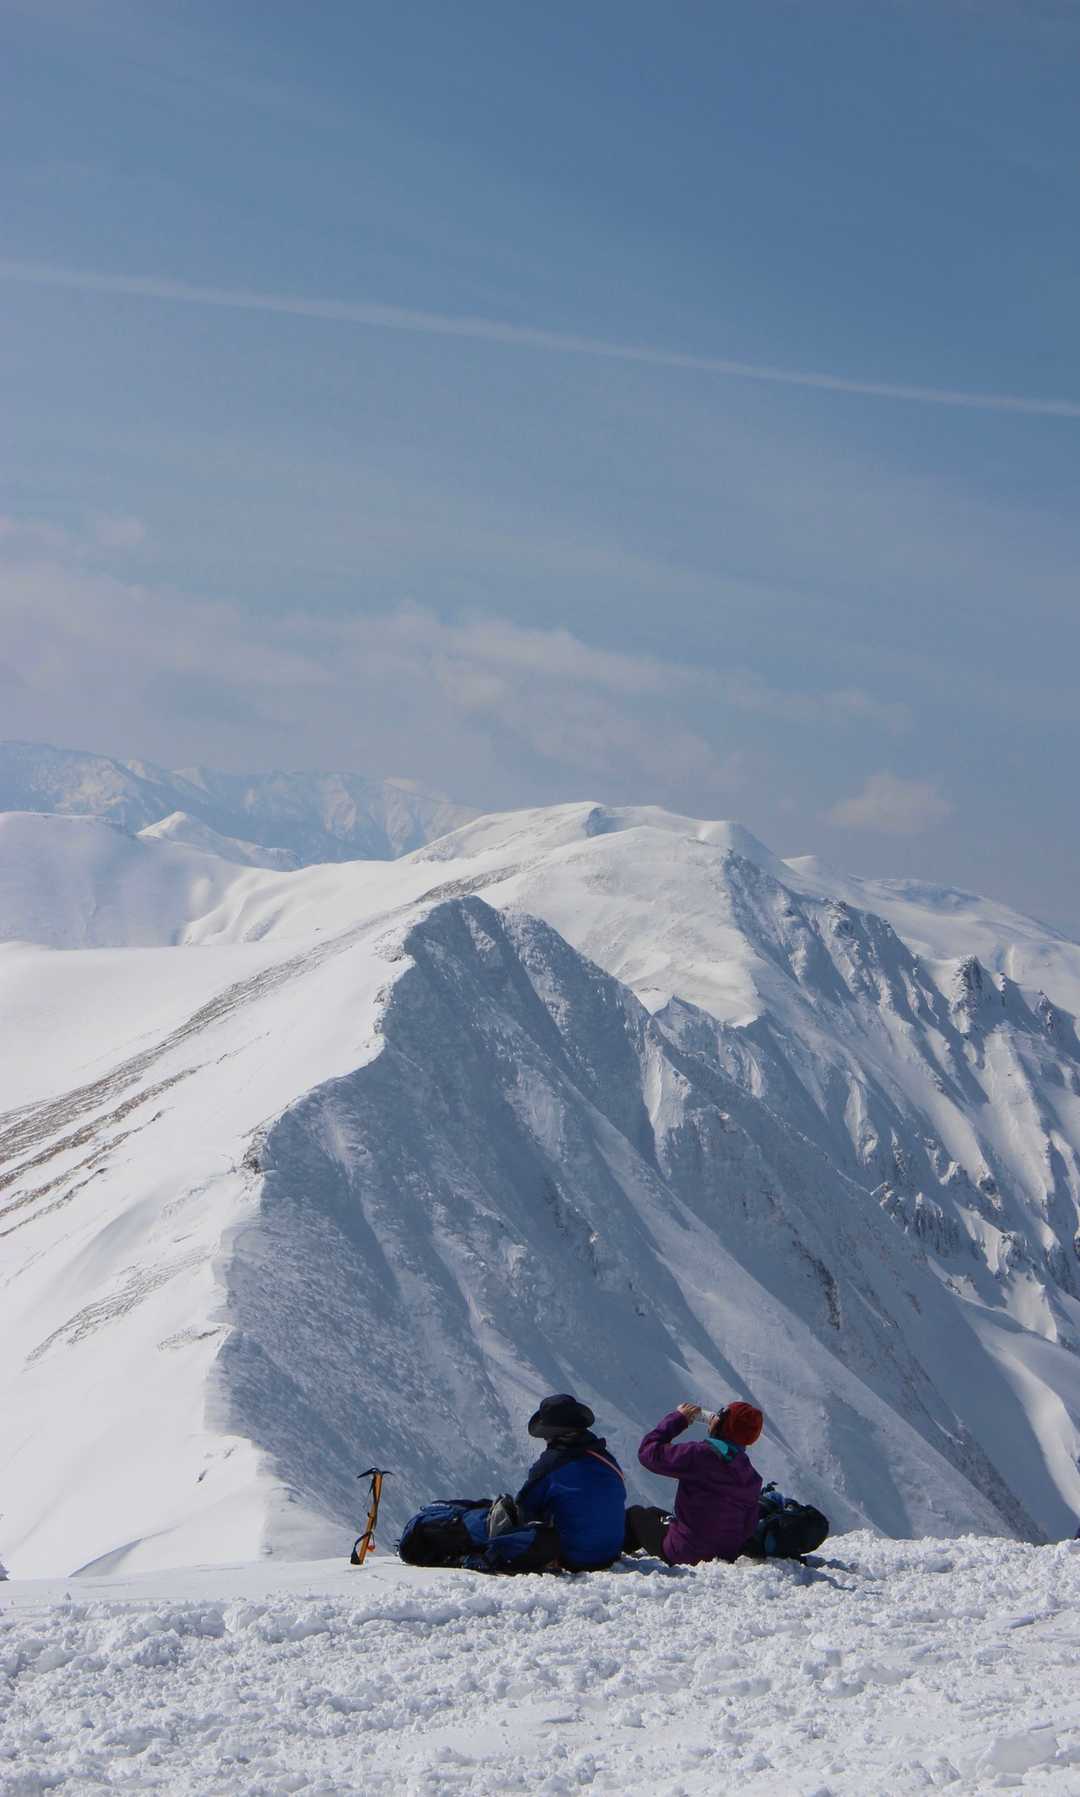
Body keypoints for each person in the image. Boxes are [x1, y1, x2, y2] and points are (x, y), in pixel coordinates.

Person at [625, 1400, 763, 1566]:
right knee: (654, 1513)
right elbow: (748, 1527)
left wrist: (679, 1419)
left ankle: (612, 1561)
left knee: (635, 1515)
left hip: (685, 1552)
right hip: (726, 1553)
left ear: (722, 1422)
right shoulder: (751, 1475)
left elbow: (649, 1453)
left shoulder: (700, 1454)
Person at [515, 1393, 626, 1571]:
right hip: (611, 1554)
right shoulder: (607, 1459)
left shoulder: (550, 1465)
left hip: (573, 1558)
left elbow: (524, 1506)